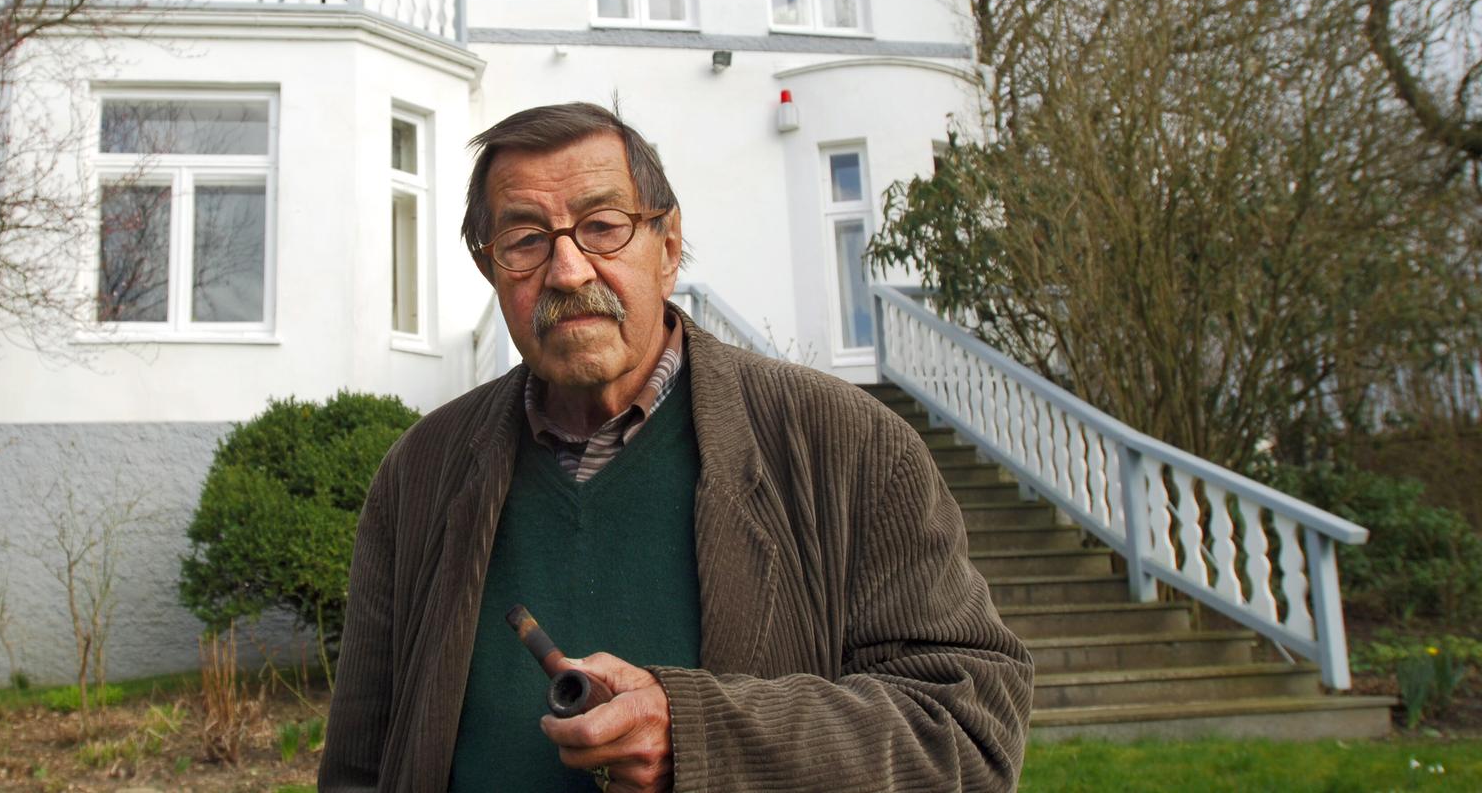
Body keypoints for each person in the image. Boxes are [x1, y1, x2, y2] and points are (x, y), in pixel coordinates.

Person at [319, 103, 1032, 793]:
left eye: (602, 227)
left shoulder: (848, 445)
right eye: (526, 240)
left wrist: (700, 741)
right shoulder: (419, 474)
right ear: (492, 272)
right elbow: (360, 767)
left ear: (666, 248)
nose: (567, 271)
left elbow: (967, 726)